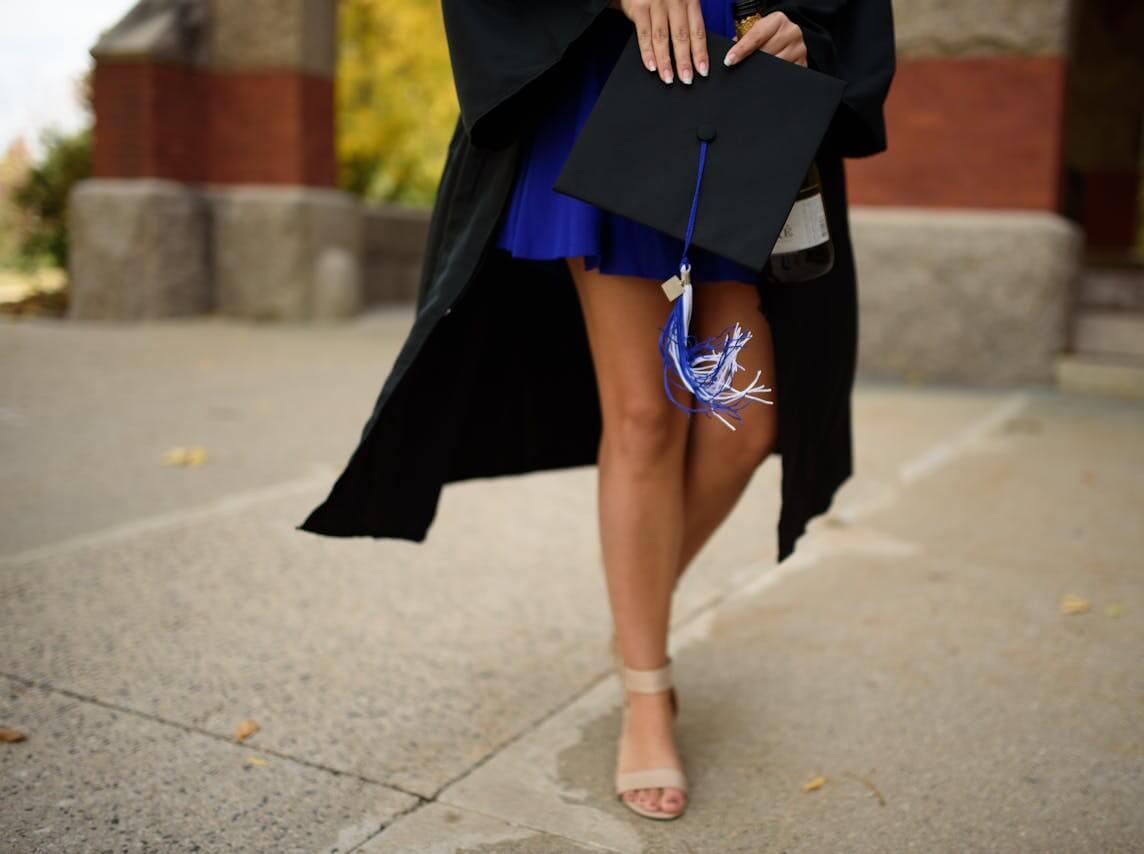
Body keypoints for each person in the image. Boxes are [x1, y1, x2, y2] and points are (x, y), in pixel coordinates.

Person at [298, 0, 894, 823]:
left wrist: (807, 32)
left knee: (742, 425)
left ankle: (632, 617)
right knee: (648, 414)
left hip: (741, 87)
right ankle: (648, 691)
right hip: (615, 79)